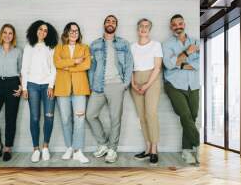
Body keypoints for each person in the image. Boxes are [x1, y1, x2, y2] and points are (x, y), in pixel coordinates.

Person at [86, 15, 134, 163]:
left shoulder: (123, 44)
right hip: (98, 86)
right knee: (90, 115)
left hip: (116, 86)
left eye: (113, 22)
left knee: (115, 119)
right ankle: (103, 144)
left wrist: (125, 84)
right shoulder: (94, 45)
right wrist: (91, 85)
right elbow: (91, 67)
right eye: (108, 21)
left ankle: (113, 149)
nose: (110, 23)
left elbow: (129, 64)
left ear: (116, 26)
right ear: (104, 24)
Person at [162, 14, 200, 164]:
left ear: (184, 24)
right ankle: (198, 144)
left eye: (180, 23)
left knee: (192, 117)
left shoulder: (196, 42)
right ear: (171, 27)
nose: (178, 26)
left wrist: (180, 62)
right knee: (185, 115)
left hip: (194, 85)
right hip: (174, 84)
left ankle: (186, 150)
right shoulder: (167, 44)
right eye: (175, 24)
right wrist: (187, 53)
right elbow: (168, 64)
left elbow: (198, 64)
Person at [54, 22, 91, 163]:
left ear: (79, 33)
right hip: (62, 89)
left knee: (79, 120)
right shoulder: (59, 48)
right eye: (71, 31)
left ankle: (78, 150)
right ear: (66, 33)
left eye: (76, 31)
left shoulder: (84, 48)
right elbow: (57, 63)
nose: (74, 33)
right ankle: (69, 147)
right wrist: (75, 61)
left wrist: (68, 66)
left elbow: (86, 65)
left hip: (80, 89)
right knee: (65, 120)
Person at [21, 20, 58, 163]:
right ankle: (35, 149)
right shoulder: (29, 47)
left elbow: (54, 68)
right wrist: (24, 88)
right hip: (32, 86)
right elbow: (24, 68)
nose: (43, 32)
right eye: (40, 29)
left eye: (45, 30)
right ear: (35, 30)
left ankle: (45, 147)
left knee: (49, 117)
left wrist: (51, 85)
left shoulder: (51, 47)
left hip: (47, 85)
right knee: (35, 118)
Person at [0, 23, 23, 162]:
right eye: (5, 32)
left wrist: (22, 87)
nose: (7, 35)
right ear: (1, 34)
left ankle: (7, 148)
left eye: (10, 33)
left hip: (13, 83)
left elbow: (21, 71)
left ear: (13, 36)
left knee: (10, 118)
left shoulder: (18, 51)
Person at [130, 18, 163, 165]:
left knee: (151, 114)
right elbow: (129, 67)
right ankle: (148, 148)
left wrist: (147, 85)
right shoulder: (132, 47)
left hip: (152, 79)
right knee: (142, 116)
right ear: (138, 29)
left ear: (149, 29)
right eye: (141, 26)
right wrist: (133, 83)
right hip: (136, 79)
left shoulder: (156, 45)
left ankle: (154, 149)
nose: (143, 29)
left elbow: (157, 67)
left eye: (146, 26)